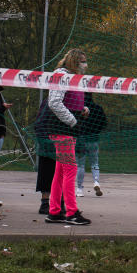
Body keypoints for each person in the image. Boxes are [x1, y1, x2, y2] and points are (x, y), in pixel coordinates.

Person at [44, 48, 92, 226]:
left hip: (67, 129)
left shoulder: (73, 78)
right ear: (74, 61)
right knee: (70, 169)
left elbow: (69, 100)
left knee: (61, 171)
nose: (85, 65)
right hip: (62, 129)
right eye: (82, 61)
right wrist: (73, 121)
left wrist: (82, 109)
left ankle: (54, 211)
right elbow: (54, 102)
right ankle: (71, 212)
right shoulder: (61, 76)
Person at [75, 92, 106, 198]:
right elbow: (104, 123)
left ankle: (79, 189)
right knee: (95, 163)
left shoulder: (77, 109)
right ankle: (96, 182)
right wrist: (96, 131)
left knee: (80, 165)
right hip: (93, 139)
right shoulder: (98, 108)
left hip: (80, 139)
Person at [34, 100, 56, 215]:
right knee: (46, 173)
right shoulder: (49, 102)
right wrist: (46, 141)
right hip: (48, 144)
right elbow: (39, 124)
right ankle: (45, 203)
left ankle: (59, 202)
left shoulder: (67, 102)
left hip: (60, 144)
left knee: (60, 175)